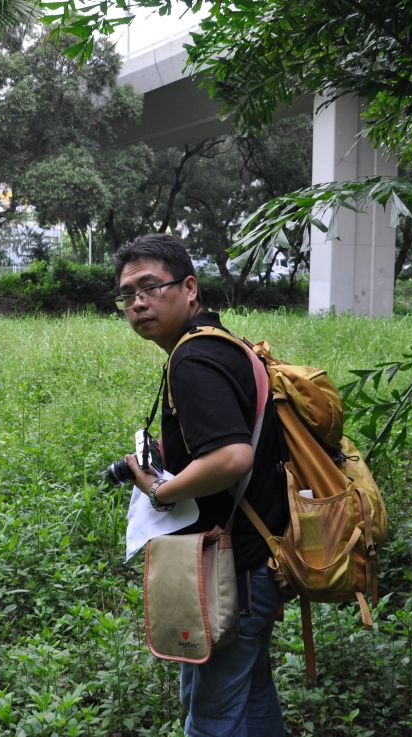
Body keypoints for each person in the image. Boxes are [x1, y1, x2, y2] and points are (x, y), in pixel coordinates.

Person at [116, 233, 290, 737]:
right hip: (257, 561)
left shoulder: (194, 360)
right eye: (127, 295)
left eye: (150, 287)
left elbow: (233, 456)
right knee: (251, 700)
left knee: (211, 719)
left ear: (189, 288)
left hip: (232, 570)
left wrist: (160, 491)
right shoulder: (219, 343)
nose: (138, 303)